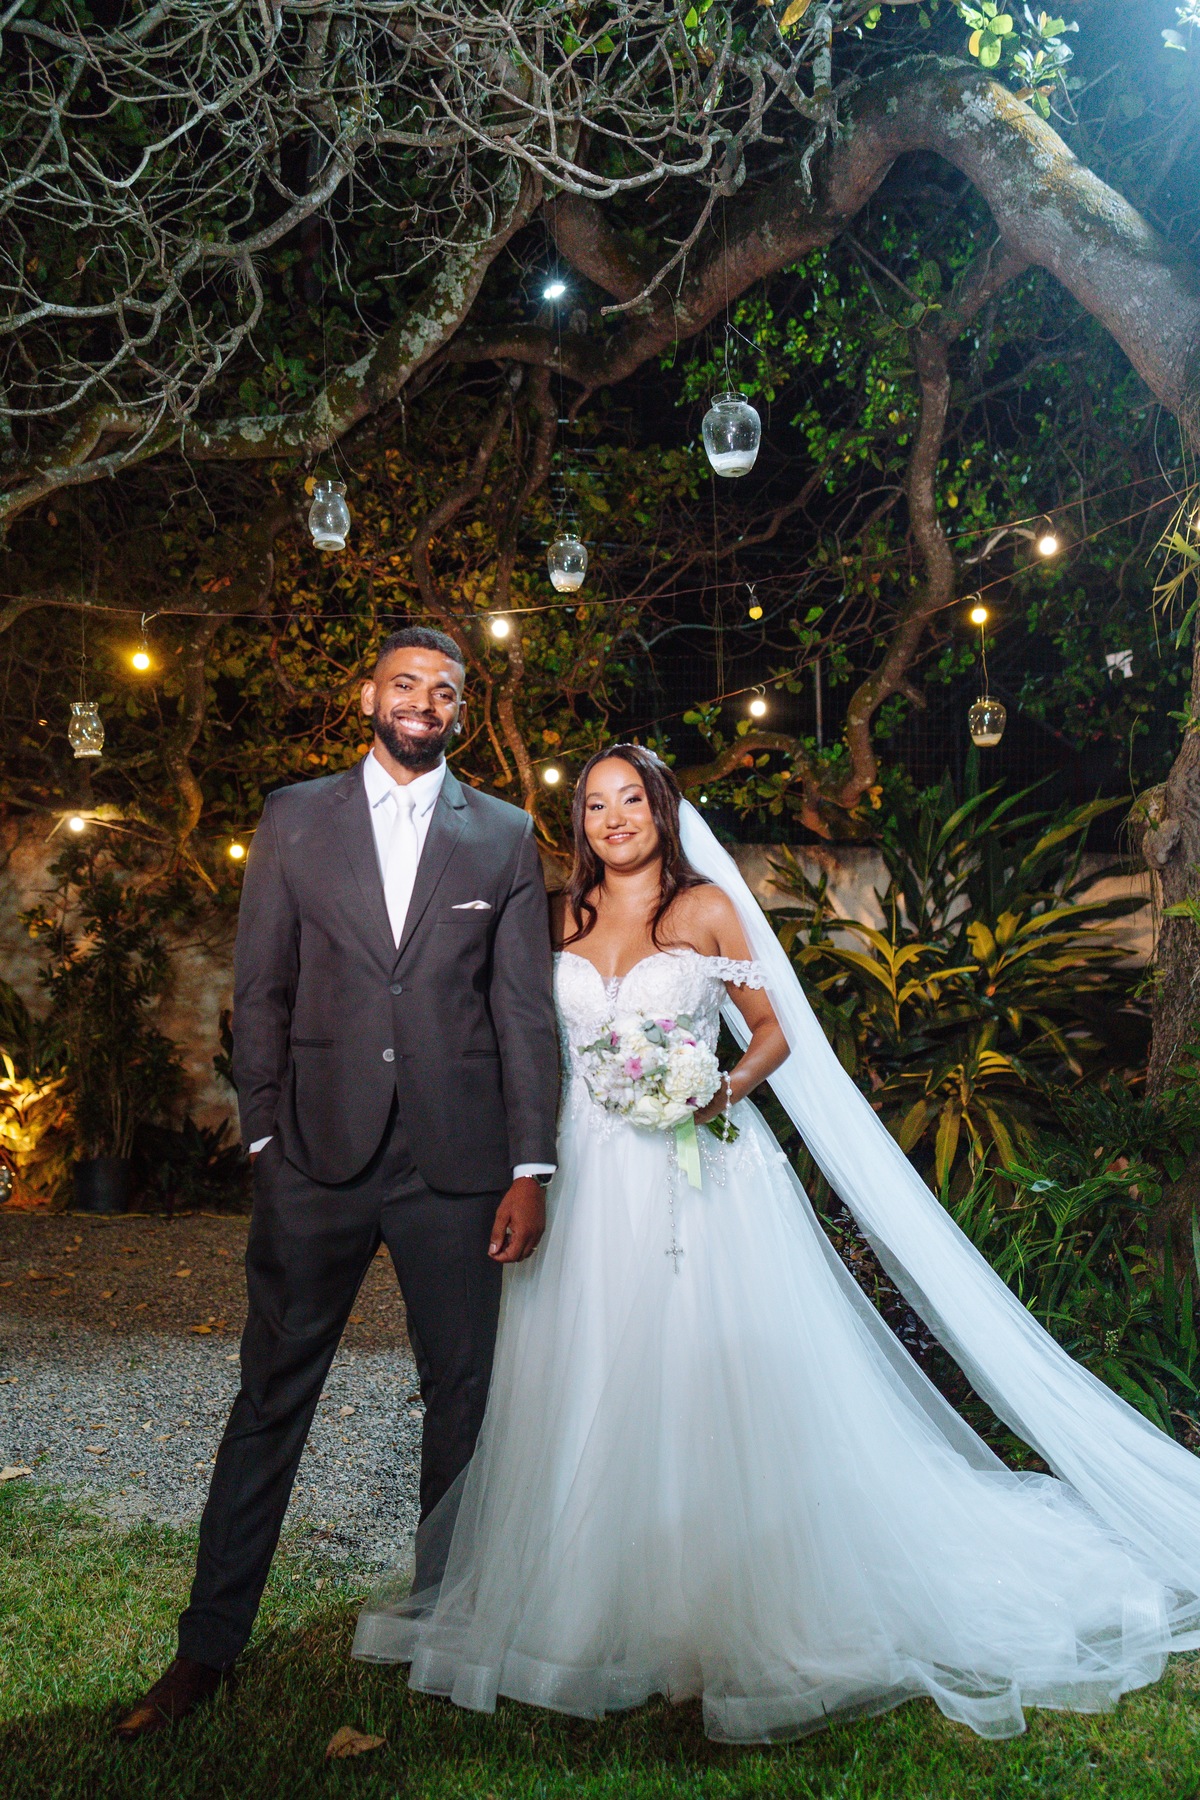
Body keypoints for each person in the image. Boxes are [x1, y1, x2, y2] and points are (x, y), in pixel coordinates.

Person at [354, 742, 1200, 1744]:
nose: (612, 819)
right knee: (579, 1369)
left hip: (696, 1175)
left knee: (699, 1373)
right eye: (593, 806)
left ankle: (714, 1609)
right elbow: (531, 1046)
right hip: (582, 1176)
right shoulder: (557, 916)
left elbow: (772, 1031)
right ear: (576, 822)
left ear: (662, 810)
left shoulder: (707, 905)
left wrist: (714, 1086)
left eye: (631, 801)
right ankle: (584, 1600)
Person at [116, 626, 559, 1740]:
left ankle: (444, 1637)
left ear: (461, 712)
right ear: (369, 695)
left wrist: (530, 1165)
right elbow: (257, 986)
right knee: (271, 1397)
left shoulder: (505, 837)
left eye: (445, 691)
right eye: (406, 682)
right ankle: (205, 1649)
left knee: (462, 1404)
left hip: (457, 1171)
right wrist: (263, 1141)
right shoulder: (293, 816)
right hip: (314, 1158)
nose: (423, 702)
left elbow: (520, 1012)